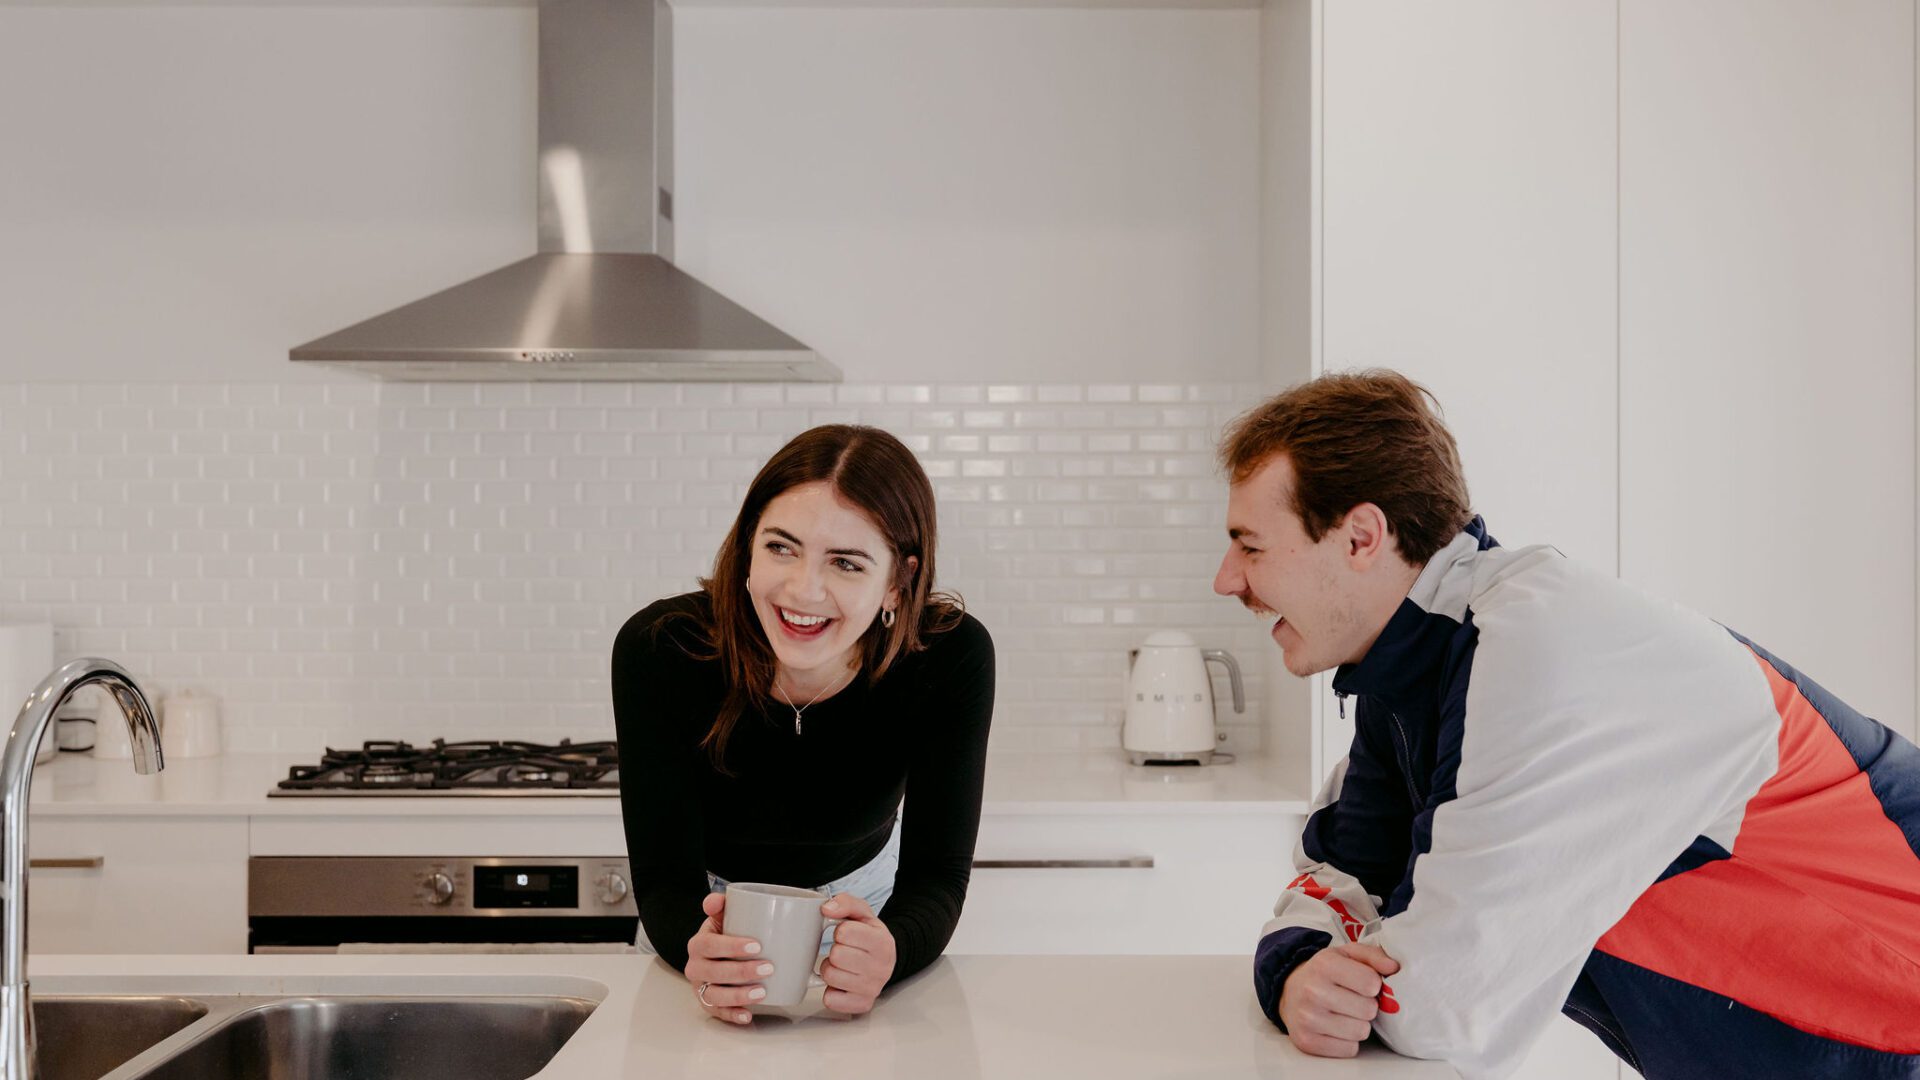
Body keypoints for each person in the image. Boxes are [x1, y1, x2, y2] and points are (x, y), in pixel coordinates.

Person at [1214, 370, 1920, 1079]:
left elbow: (1443, 1003)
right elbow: (1339, 873)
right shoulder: (1416, 671)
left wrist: (1338, 973)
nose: (1228, 579)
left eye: (1251, 545)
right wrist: (1298, 971)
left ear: (1361, 537)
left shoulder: (1532, 651)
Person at [611, 424, 995, 1024]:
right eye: (780, 547)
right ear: (746, 550)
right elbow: (663, 877)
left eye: (845, 562)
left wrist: (890, 951)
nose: (803, 590)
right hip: (699, 925)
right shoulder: (661, 649)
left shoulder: (949, 658)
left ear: (898, 581)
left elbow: (938, 874)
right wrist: (700, 949)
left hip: (864, 917)